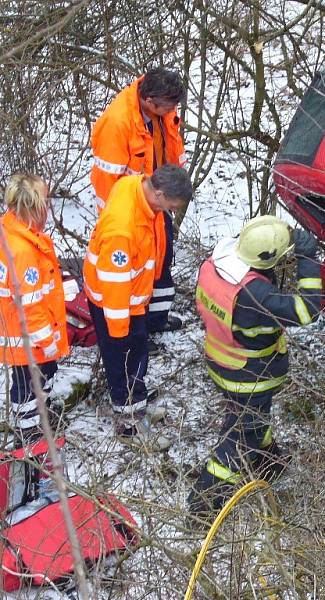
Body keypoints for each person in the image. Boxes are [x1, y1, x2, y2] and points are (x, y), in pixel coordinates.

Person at [189, 215, 322, 515]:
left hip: (221, 359)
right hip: (249, 375)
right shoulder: (255, 296)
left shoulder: (216, 264)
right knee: (240, 436)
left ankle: (267, 463)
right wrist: (307, 260)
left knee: (251, 417)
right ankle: (204, 502)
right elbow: (306, 310)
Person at [83, 165, 192, 448]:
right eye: (171, 205)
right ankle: (129, 424)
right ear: (159, 193)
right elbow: (114, 283)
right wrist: (120, 332)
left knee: (138, 352)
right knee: (124, 360)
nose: (171, 211)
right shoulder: (123, 229)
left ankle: (138, 403)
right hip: (115, 305)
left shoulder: (135, 186)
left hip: (131, 297)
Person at [90, 67, 187, 334]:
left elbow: (171, 151)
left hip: (157, 200)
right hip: (132, 213)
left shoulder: (162, 110)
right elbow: (108, 184)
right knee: (138, 273)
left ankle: (155, 320)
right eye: (170, 106)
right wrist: (127, 221)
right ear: (149, 101)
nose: (174, 111)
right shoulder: (117, 124)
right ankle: (139, 327)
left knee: (161, 261)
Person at [0, 174, 69, 443]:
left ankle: (32, 423)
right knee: (31, 386)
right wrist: (47, 341)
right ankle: (29, 434)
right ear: (33, 207)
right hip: (29, 339)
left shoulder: (11, 231)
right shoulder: (23, 251)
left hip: (18, 334)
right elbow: (29, 306)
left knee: (28, 383)